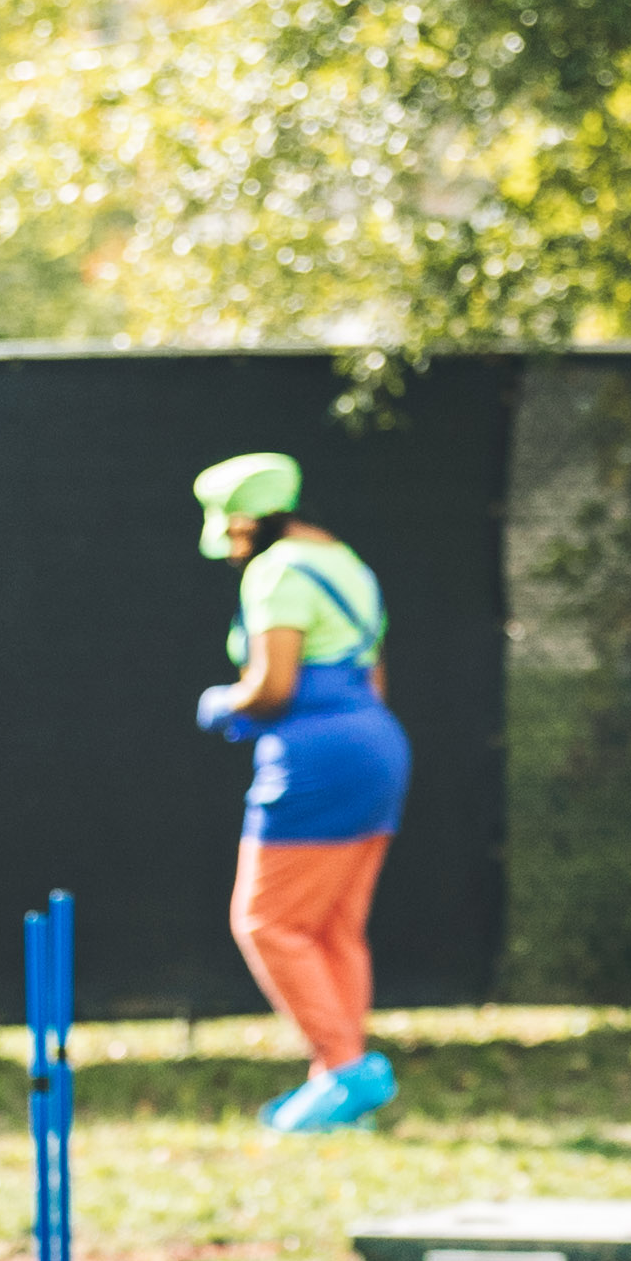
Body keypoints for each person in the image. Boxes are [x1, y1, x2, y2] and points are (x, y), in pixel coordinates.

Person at [191, 452, 411, 1138]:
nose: (230, 550)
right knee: (333, 927)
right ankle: (340, 1087)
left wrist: (222, 704)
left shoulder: (275, 570)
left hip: (313, 758)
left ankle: (346, 1070)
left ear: (252, 521)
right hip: (377, 745)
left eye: (230, 534)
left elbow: (274, 685)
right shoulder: (348, 564)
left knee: (266, 921)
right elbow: (372, 676)